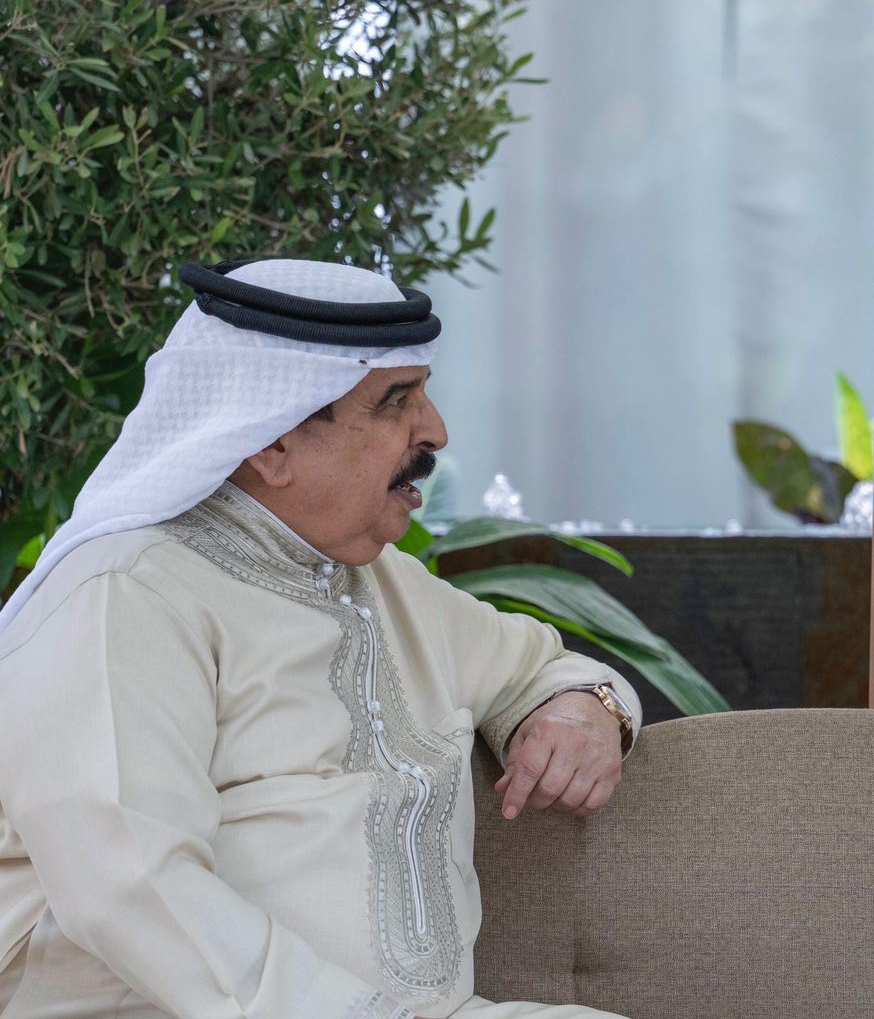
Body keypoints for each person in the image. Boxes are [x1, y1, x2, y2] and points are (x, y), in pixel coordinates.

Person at [0, 259, 643, 1019]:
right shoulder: (127, 594)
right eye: (396, 400)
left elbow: (543, 669)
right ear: (271, 443)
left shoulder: (375, 581)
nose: (435, 431)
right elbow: (130, 888)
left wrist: (586, 710)